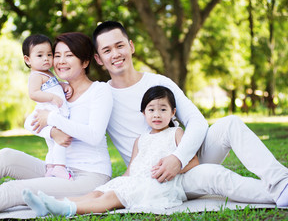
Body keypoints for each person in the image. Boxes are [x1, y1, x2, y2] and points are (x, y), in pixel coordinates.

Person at [91, 20, 288, 207]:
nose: (115, 54)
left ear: (131, 46)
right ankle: (280, 193)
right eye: (107, 50)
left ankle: (281, 182)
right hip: (158, 178)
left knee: (230, 123)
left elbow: (197, 121)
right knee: (214, 175)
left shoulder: (159, 81)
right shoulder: (101, 96)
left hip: (185, 157)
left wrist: (178, 158)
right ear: (98, 59)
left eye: (120, 46)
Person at [0, 32, 113, 216]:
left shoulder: (99, 90)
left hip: (88, 177)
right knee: (7, 156)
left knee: (15, 190)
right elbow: (29, 122)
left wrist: (51, 119)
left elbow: (94, 135)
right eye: (57, 55)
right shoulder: (57, 89)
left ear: (85, 62)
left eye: (69, 55)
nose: (60, 61)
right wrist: (51, 132)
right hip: (55, 169)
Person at [22, 85, 199, 217]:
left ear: (173, 112)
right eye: (151, 110)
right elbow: (131, 169)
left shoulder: (176, 133)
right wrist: (119, 182)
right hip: (135, 180)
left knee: (111, 197)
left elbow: (192, 162)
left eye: (163, 109)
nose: (157, 114)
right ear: (144, 113)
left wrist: (168, 170)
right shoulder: (141, 139)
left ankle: (70, 209)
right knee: (98, 192)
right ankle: (48, 206)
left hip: (157, 185)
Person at [22, 34, 73, 180]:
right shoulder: (36, 75)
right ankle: (60, 167)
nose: (46, 58)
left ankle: (50, 168)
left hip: (53, 112)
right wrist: (51, 97)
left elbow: (53, 85)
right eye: (40, 55)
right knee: (59, 141)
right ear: (28, 59)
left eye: (49, 54)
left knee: (52, 144)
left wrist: (63, 85)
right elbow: (33, 93)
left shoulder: (48, 73)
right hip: (49, 112)